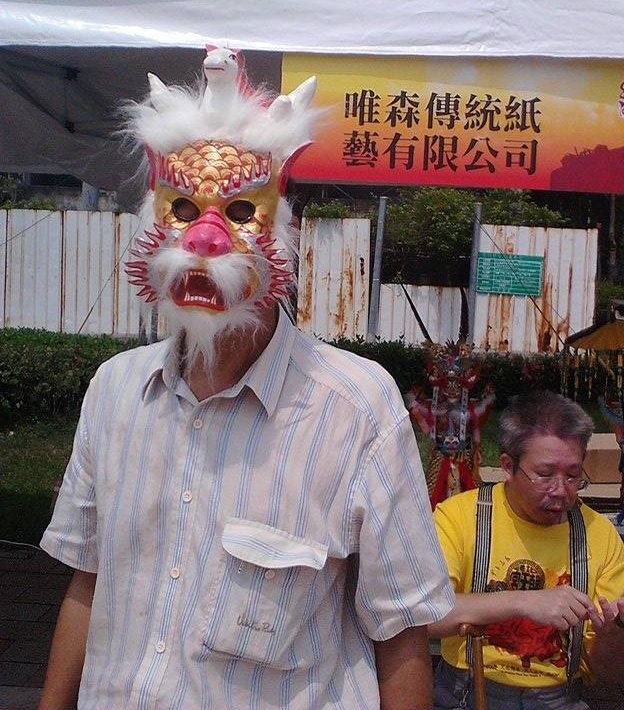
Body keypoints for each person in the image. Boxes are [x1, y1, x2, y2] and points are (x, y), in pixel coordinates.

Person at [38, 47, 454, 710]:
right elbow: (89, 582)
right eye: (182, 208)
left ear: (283, 229)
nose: (205, 239)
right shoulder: (114, 391)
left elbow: (401, 627)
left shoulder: (356, 406)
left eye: (238, 213)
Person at [430, 390, 624, 710]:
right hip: (465, 692)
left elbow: (611, 673)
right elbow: (424, 617)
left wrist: (612, 634)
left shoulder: (599, 535)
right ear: (508, 466)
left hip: (559, 698)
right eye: (544, 475)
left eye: (573, 476)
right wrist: (523, 601)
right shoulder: (459, 517)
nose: (560, 491)